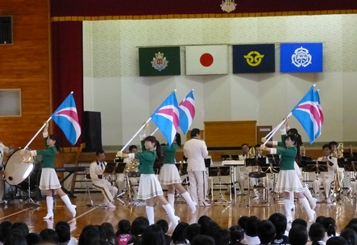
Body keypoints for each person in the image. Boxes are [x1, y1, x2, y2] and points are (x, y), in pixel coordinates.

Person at [117, 136, 178, 226]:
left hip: (150, 177)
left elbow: (137, 155)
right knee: (148, 201)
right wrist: (143, 133)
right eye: (145, 142)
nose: (146, 144)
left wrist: (125, 155)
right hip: (144, 177)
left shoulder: (151, 154)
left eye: (148, 142)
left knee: (160, 198)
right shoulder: (147, 151)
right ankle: (151, 223)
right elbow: (142, 144)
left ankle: (174, 220)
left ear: (153, 144)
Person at [260, 123, 315, 223]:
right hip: (283, 173)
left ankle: (310, 212)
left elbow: (279, 151)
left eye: (288, 140)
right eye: (286, 140)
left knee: (299, 193)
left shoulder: (292, 150)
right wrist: (284, 125)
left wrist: (266, 149)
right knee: (285, 194)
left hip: (290, 173)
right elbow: (283, 135)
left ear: (293, 142)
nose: (286, 141)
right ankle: (288, 215)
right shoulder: (286, 145)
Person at [23, 123, 76, 220]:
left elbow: (40, 152)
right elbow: (44, 137)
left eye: (49, 139)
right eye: (47, 139)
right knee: (48, 192)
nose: (47, 141)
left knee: (58, 190)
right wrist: (45, 127)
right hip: (45, 171)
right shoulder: (48, 147)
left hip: (50, 172)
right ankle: (50, 212)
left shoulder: (52, 150)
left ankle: (71, 207)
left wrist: (29, 152)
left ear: (54, 141)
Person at [159, 133, 196, 214]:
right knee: (170, 188)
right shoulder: (168, 145)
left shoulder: (174, 145)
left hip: (171, 167)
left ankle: (191, 203)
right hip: (166, 167)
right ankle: (171, 209)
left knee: (178, 186)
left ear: (175, 137)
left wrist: (157, 146)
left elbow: (165, 149)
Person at [183, 128, 210, 207]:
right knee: (202, 183)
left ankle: (194, 202)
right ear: (198, 134)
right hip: (199, 165)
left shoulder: (186, 143)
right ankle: (202, 201)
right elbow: (205, 154)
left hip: (190, 165)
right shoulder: (201, 142)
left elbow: (186, 155)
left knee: (192, 184)